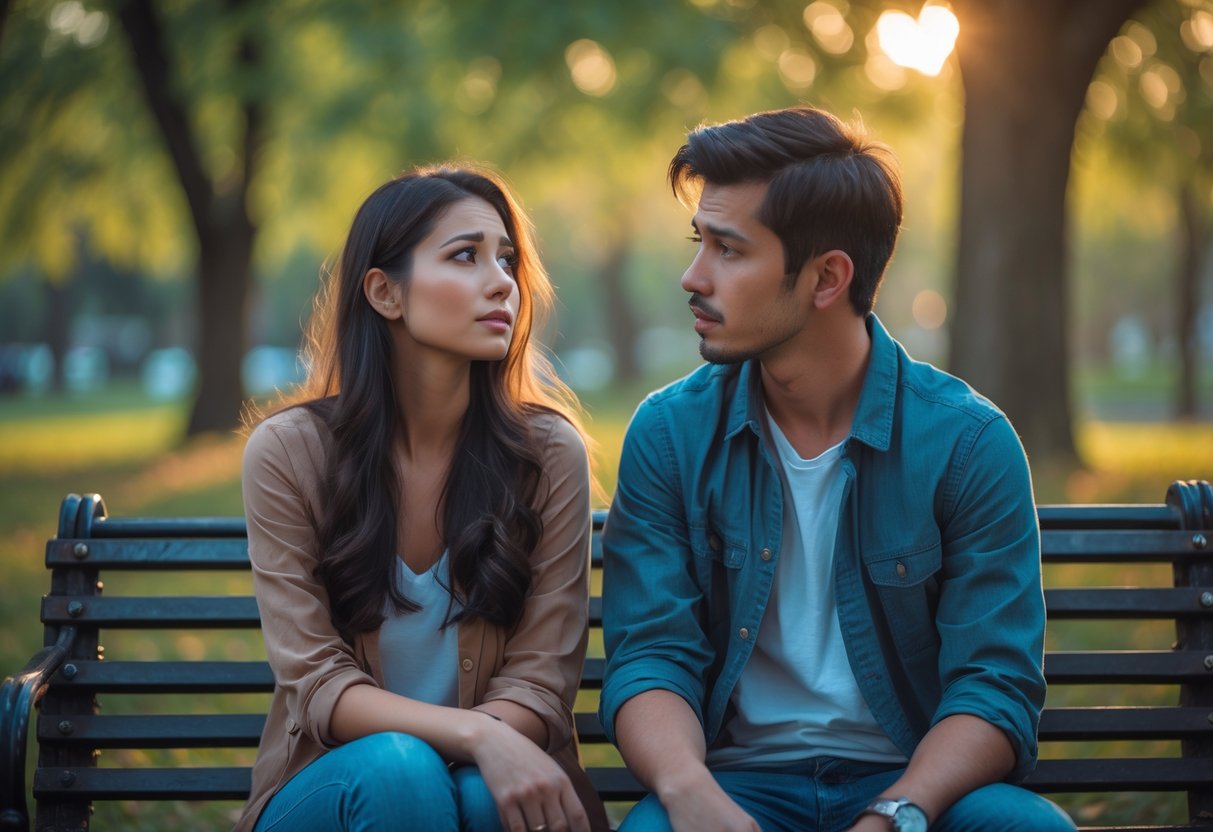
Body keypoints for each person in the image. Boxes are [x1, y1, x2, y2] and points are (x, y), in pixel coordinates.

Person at [599, 107, 1076, 832]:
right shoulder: (668, 436)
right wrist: (688, 793)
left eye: (728, 251)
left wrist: (893, 814)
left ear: (826, 278)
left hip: (915, 783)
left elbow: (994, 687)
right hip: (733, 782)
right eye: (700, 242)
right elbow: (650, 658)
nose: (692, 276)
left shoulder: (968, 444)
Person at [238, 165, 609, 832]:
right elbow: (318, 682)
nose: (502, 282)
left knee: (480, 795)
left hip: (493, 790)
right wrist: (477, 737)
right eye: (465, 256)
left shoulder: (549, 455)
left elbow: (540, 676)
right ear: (384, 293)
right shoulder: (289, 453)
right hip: (331, 790)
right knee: (400, 772)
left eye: (507, 259)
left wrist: (486, 748)